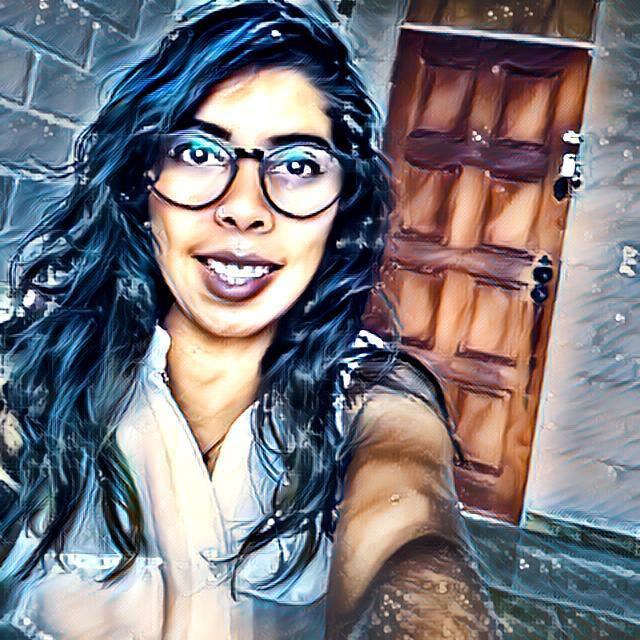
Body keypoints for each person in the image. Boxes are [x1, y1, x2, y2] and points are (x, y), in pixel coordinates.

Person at [0, 1, 496, 638]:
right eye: (199, 153)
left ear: (341, 206)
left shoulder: (375, 399)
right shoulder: (29, 381)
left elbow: (410, 527)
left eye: (297, 166)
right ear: (143, 182)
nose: (243, 209)